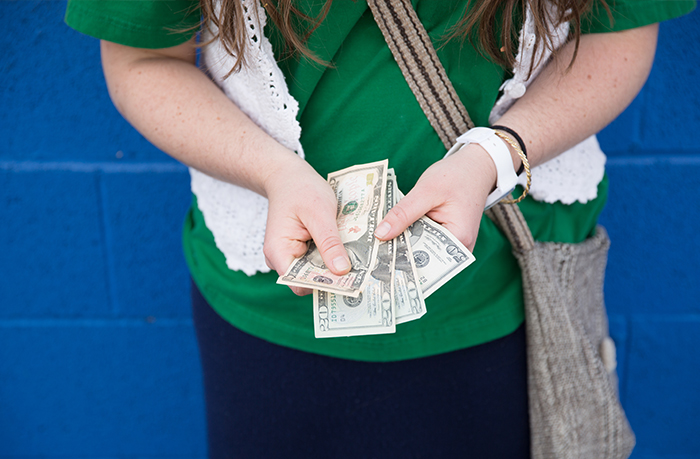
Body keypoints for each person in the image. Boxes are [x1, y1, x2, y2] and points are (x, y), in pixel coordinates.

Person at [65, 0, 695, 457]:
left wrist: (496, 156)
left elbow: (621, 31)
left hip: (507, 296)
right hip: (272, 313)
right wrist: (269, 171)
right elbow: (141, 57)